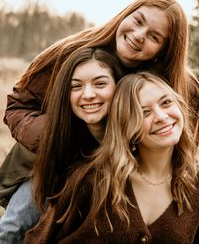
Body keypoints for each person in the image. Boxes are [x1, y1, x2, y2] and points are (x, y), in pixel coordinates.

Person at [0, 0, 199, 239]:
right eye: (138, 21)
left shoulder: (168, 84)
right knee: (16, 228)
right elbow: (19, 105)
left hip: (115, 174)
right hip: (51, 164)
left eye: (154, 36)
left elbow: (180, 142)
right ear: (125, 14)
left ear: (165, 49)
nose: (139, 35)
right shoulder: (72, 53)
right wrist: (60, 136)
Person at [24, 72, 199, 243]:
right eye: (144, 112)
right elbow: (40, 239)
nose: (161, 117)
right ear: (127, 127)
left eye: (166, 103)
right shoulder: (93, 180)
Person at [0, 47, 123, 243]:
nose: (88, 94)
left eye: (100, 83)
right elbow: (12, 230)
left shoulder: (131, 141)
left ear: (118, 86)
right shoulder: (56, 137)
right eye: (76, 86)